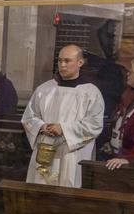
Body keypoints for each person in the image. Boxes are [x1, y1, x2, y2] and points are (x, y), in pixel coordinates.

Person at [21, 44, 105, 187]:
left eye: (67, 61)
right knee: (40, 191)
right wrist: (41, 126)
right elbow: (29, 117)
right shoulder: (45, 89)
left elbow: (94, 125)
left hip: (71, 153)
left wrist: (64, 129)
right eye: (60, 61)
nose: (62, 65)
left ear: (80, 63)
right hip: (45, 150)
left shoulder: (90, 92)